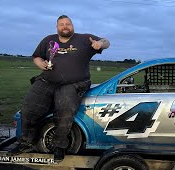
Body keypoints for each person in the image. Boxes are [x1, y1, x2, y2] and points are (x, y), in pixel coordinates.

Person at [7, 15, 110, 162]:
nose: (65, 26)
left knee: (65, 108)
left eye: (68, 24)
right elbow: (36, 56)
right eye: (61, 24)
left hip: (74, 83)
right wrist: (40, 63)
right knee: (29, 108)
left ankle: (59, 146)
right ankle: (26, 142)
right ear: (57, 27)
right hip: (47, 80)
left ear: (72, 26)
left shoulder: (84, 39)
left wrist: (100, 44)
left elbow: (107, 42)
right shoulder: (48, 40)